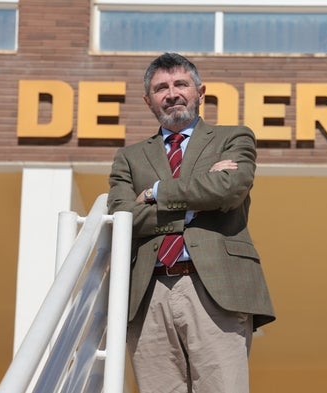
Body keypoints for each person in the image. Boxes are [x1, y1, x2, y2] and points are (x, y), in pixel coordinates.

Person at [107, 52, 275, 393]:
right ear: (148, 100)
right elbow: (124, 218)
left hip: (214, 288)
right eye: (161, 88)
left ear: (200, 91)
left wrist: (155, 192)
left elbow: (229, 190)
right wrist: (198, 198)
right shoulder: (129, 157)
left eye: (180, 84)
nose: (172, 93)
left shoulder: (233, 138)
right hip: (148, 293)